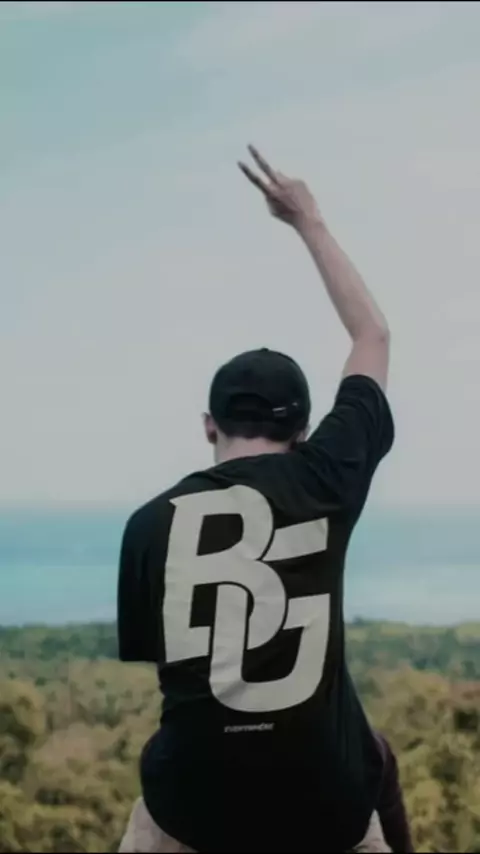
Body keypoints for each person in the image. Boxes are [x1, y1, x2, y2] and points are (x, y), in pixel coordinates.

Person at [117, 146, 410, 853]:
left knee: (157, 778)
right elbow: (372, 335)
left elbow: (177, 670)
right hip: (324, 814)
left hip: (196, 815)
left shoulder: (148, 525)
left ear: (209, 426)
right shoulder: (327, 476)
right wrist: (308, 220)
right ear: (304, 430)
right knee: (373, 758)